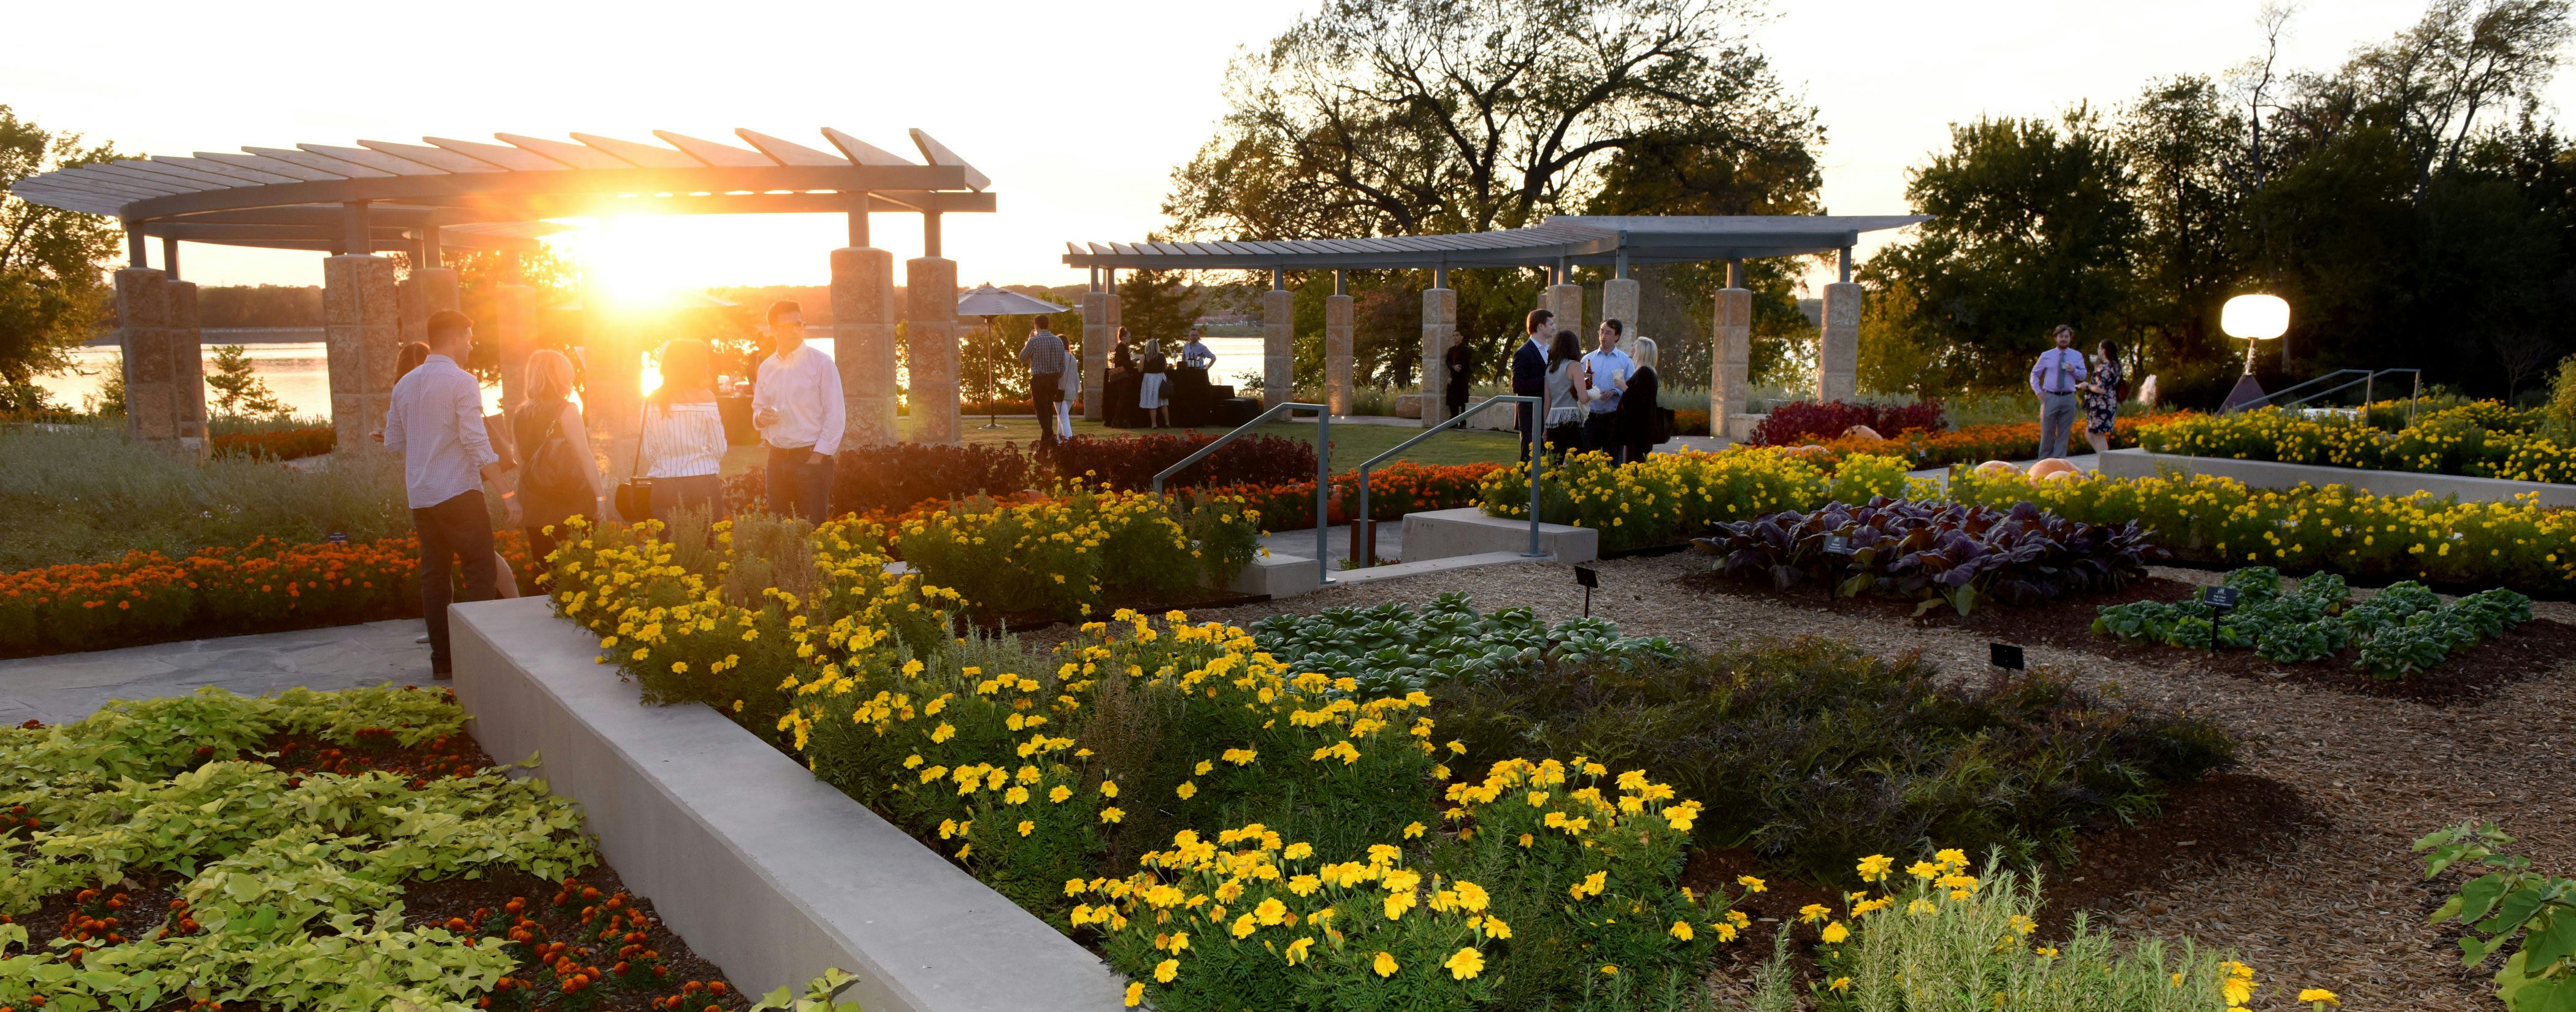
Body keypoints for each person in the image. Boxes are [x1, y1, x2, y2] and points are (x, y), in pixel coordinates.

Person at [383, 310, 518, 679]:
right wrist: (508, 494)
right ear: (457, 337)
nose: (472, 345)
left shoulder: (404, 384)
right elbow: (476, 441)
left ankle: (443, 662)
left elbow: (393, 442)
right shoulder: (462, 381)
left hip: (422, 497)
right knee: (480, 572)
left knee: (435, 578)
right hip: (459, 493)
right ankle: (475, 660)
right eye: (470, 338)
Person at [751, 301, 843, 524]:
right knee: (780, 530)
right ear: (773, 330)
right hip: (776, 459)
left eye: (799, 324)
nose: (795, 330)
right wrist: (761, 418)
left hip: (810, 457)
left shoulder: (821, 363)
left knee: (813, 530)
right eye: (788, 326)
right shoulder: (766, 367)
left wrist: (817, 457)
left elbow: (836, 415)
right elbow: (758, 408)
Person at [512, 349, 605, 569]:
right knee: (578, 569)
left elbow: (520, 460)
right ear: (560, 376)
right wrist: (600, 496)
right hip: (571, 501)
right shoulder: (567, 410)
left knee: (544, 570)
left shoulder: (520, 414)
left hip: (534, 503)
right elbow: (584, 456)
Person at [640, 338, 729, 523]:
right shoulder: (706, 398)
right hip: (702, 483)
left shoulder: (651, 400)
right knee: (709, 546)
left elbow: (648, 451)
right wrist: (702, 461)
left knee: (669, 547)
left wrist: (668, 462)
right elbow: (720, 447)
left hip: (664, 485)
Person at [2029, 324, 2088, 460]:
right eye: (2061, 336)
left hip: (2069, 398)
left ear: (2070, 339)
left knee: (2064, 434)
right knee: (2047, 433)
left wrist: (2074, 370)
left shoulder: (2077, 356)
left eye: (2066, 337)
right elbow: (2034, 374)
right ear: (2056, 338)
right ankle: (2043, 464)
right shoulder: (2046, 356)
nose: (2064, 339)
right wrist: (2038, 392)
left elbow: (2083, 376)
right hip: (2050, 398)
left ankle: (2059, 464)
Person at [1581, 320, 1635, 463]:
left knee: (1613, 463)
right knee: (1587, 463)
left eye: (1608, 333)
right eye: (1601, 331)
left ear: (1616, 337)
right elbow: (1578, 387)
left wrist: (1615, 391)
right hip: (1590, 419)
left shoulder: (1625, 361)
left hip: (1613, 419)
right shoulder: (1587, 359)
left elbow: (1631, 390)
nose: (1603, 336)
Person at [1020, 313, 1070, 453]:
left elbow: (1022, 357)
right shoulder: (1058, 341)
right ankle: (1043, 450)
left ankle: (1053, 443)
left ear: (1036, 326)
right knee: (1048, 413)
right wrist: (1056, 376)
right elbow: (1062, 365)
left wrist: (1029, 340)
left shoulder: (1034, 341)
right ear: (1048, 325)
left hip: (1039, 380)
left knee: (1042, 414)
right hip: (1053, 380)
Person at [1511, 309, 1553, 461]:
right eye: (1551, 324)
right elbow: (1518, 386)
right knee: (1530, 459)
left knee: (1550, 459)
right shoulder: (1523, 352)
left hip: (1550, 414)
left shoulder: (1552, 351)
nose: (1554, 327)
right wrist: (1547, 380)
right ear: (1541, 326)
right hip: (1531, 416)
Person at [1541, 329, 1587, 458]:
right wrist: (1595, 394)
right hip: (1572, 417)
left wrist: (1546, 426)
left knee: (1554, 463)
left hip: (1553, 419)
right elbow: (1583, 398)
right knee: (1581, 461)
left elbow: (1547, 402)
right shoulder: (1575, 366)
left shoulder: (1549, 368)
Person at [2081, 337, 2126, 456]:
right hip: (2107, 404)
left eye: (2099, 348)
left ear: (2104, 350)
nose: (2098, 351)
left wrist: (2087, 386)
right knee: (2089, 434)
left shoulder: (2106, 367)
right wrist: (2096, 366)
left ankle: (2106, 464)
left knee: (2098, 435)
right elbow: (2101, 382)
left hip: (2101, 405)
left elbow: (2101, 389)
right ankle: (2104, 459)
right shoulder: (2115, 366)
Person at [1619, 350, 1664, 463]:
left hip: (1638, 429)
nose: (1632, 348)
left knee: (1634, 462)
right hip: (1640, 429)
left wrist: (1624, 387)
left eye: (1634, 346)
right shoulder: (1646, 372)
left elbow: (1640, 400)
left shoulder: (1644, 372)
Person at [1175, 328, 1217, 426]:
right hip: (1188, 374)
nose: (1193, 337)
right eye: (1192, 335)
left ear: (1198, 336)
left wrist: (1207, 368)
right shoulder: (1185, 346)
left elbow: (1213, 358)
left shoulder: (1202, 348)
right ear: (1189, 336)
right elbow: (1183, 359)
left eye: (1195, 335)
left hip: (1198, 374)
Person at [1106, 328, 1141, 428]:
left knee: (1125, 399)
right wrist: (1132, 363)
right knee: (1123, 399)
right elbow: (1121, 363)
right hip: (1123, 377)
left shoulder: (1122, 348)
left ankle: (1124, 420)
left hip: (1124, 377)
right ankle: (1116, 420)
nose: (1130, 339)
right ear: (1124, 338)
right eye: (1129, 337)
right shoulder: (1122, 348)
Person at [1138, 337, 1170, 428]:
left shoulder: (1145, 356)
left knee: (1152, 402)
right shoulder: (1162, 356)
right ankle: (1167, 422)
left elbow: (1140, 370)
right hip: (1160, 378)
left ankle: (1154, 424)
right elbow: (1165, 368)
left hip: (1149, 379)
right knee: (1163, 402)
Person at [1443, 332, 1474, 421]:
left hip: (1462, 379)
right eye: (1454, 335)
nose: (1455, 337)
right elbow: (1448, 362)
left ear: (1462, 337)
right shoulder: (1451, 350)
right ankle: (1453, 421)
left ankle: (1464, 422)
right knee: (1452, 401)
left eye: (1457, 335)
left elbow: (1463, 365)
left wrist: (1455, 372)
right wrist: (1453, 367)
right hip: (1453, 378)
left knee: (1463, 401)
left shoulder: (1465, 350)